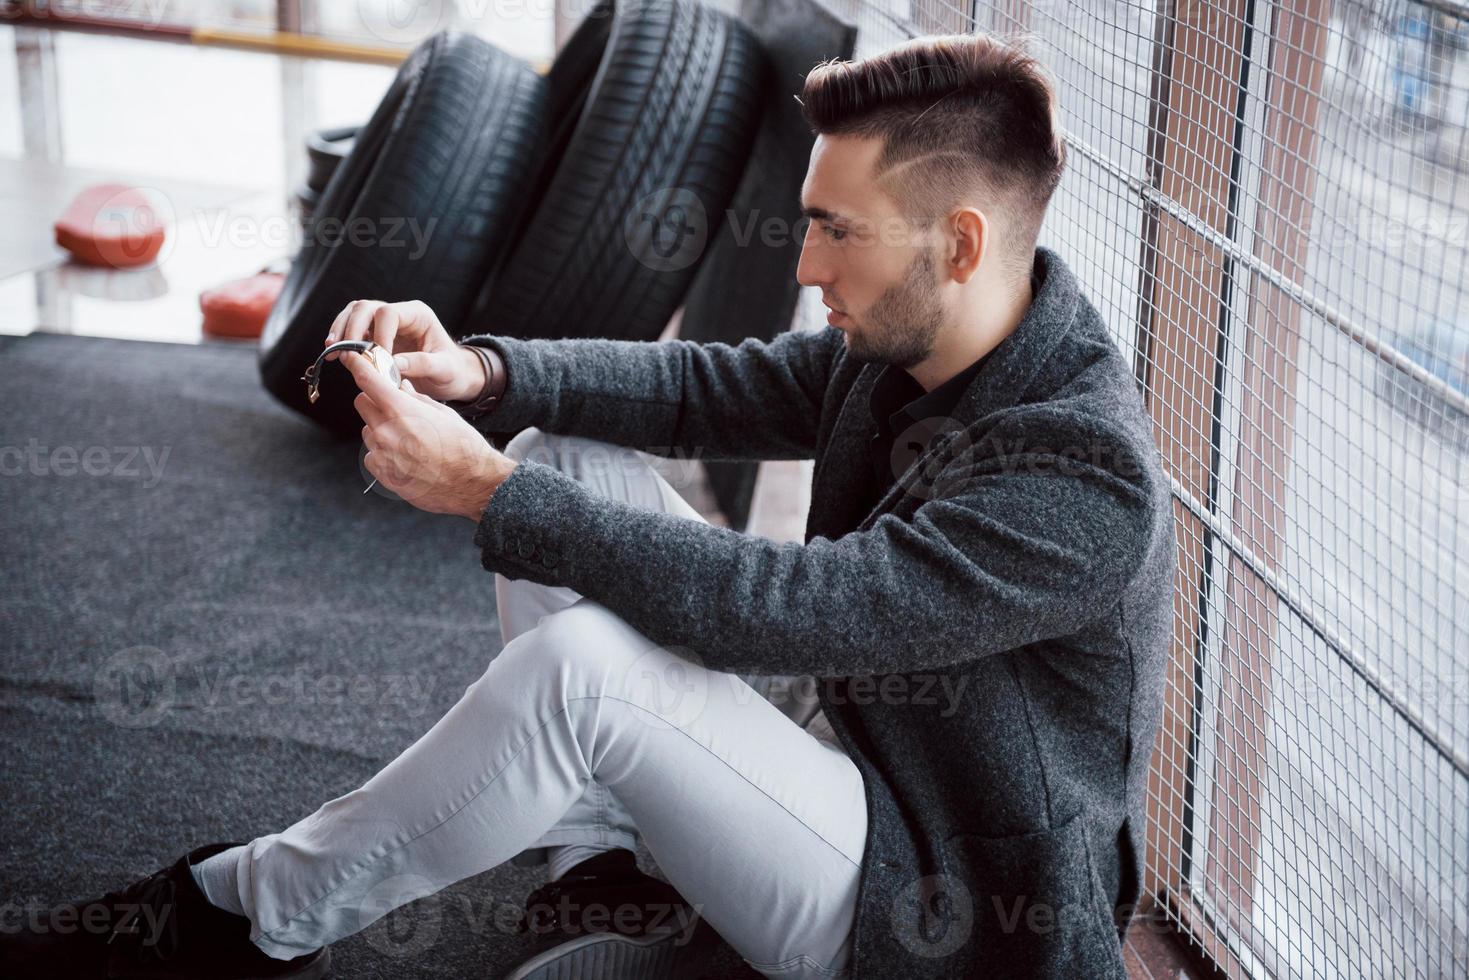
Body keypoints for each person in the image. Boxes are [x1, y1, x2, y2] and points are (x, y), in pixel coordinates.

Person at [1, 30, 1177, 980]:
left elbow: (790, 607)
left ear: (958, 241)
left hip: (937, 907)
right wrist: (487, 371)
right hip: (848, 751)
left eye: (832, 228)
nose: (806, 264)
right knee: (561, 451)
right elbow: (713, 381)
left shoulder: (1082, 475)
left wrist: (484, 492)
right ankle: (609, 866)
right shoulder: (915, 336)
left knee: (582, 670)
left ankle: (237, 916)